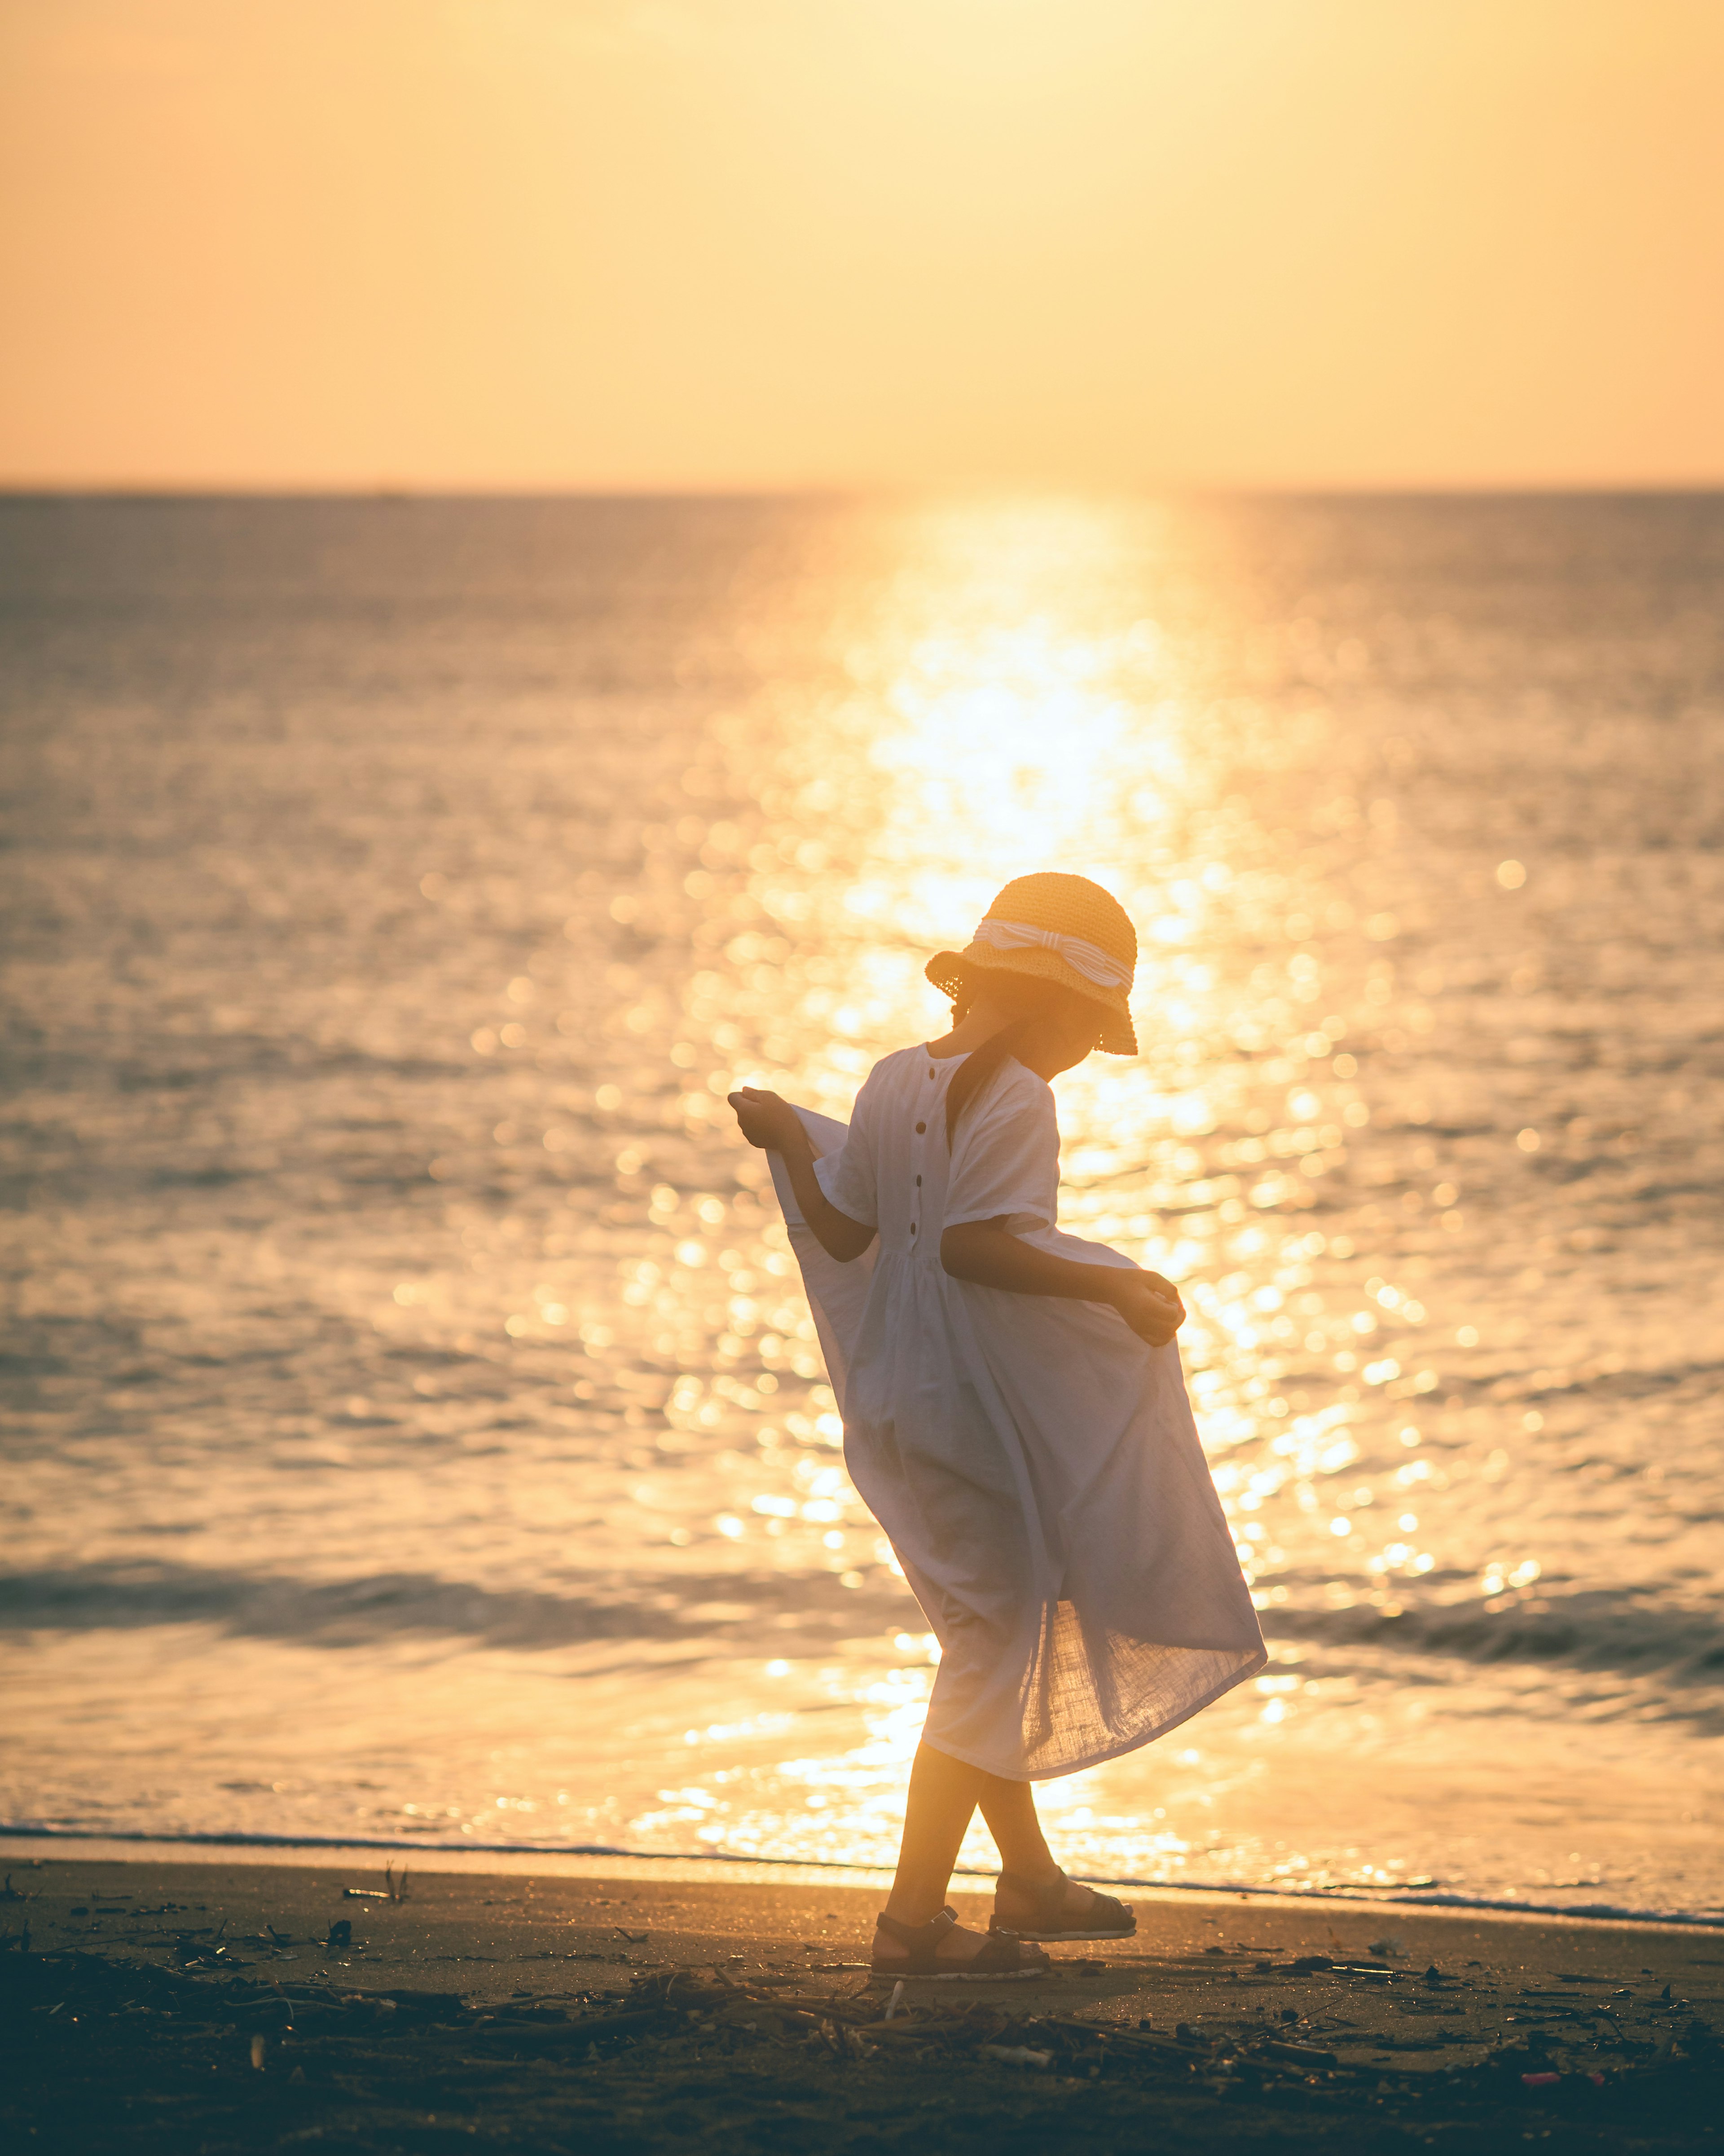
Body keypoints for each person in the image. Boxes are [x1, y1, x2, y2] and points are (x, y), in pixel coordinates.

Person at [729, 872, 1265, 1978]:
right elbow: (977, 1245)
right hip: (966, 1407)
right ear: (1043, 1003)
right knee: (990, 1648)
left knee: (990, 1633)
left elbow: (840, 1235)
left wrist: (789, 1134)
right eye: (1081, 1025)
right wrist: (1115, 1289)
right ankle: (912, 1924)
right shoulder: (1018, 1094)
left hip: (899, 1397)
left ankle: (1025, 1879)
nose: (1079, 1050)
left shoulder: (888, 1081)